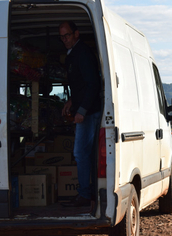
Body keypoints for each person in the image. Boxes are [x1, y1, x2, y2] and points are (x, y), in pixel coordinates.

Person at [59, 21, 102, 207]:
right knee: (86, 153)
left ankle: (86, 194)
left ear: (76, 33)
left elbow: (93, 84)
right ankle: (89, 192)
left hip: (89, 112)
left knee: (81, 153)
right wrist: (72, 102)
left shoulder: (82, 54)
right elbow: (81, 87)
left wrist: (81, 110)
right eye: (61, 37)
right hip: (84, 109)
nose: (64, 39)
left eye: (67, 35)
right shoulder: (73, 54)